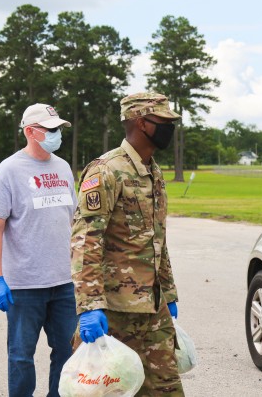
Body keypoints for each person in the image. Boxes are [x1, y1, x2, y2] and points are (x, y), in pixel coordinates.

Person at [71, 92, 185, 396]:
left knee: (167, 389)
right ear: (141, 123)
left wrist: (169, 291)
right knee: (111, 392)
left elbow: (157, 239)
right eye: (163, 121)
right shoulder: (106, 170)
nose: (169, 128)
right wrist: (90, 306)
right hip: (114, 312)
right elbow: (86, 241)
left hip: (153, 308)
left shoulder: (153, 170)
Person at [0, 103, 78, 397]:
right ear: (30, 132)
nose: (56, 134)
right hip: (24, 285)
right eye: (50, 130)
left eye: (58, 129)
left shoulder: (62, 167)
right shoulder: (9, 170)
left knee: (67, 352)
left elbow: (73, 220)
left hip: (64, 282)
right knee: (21, 357)